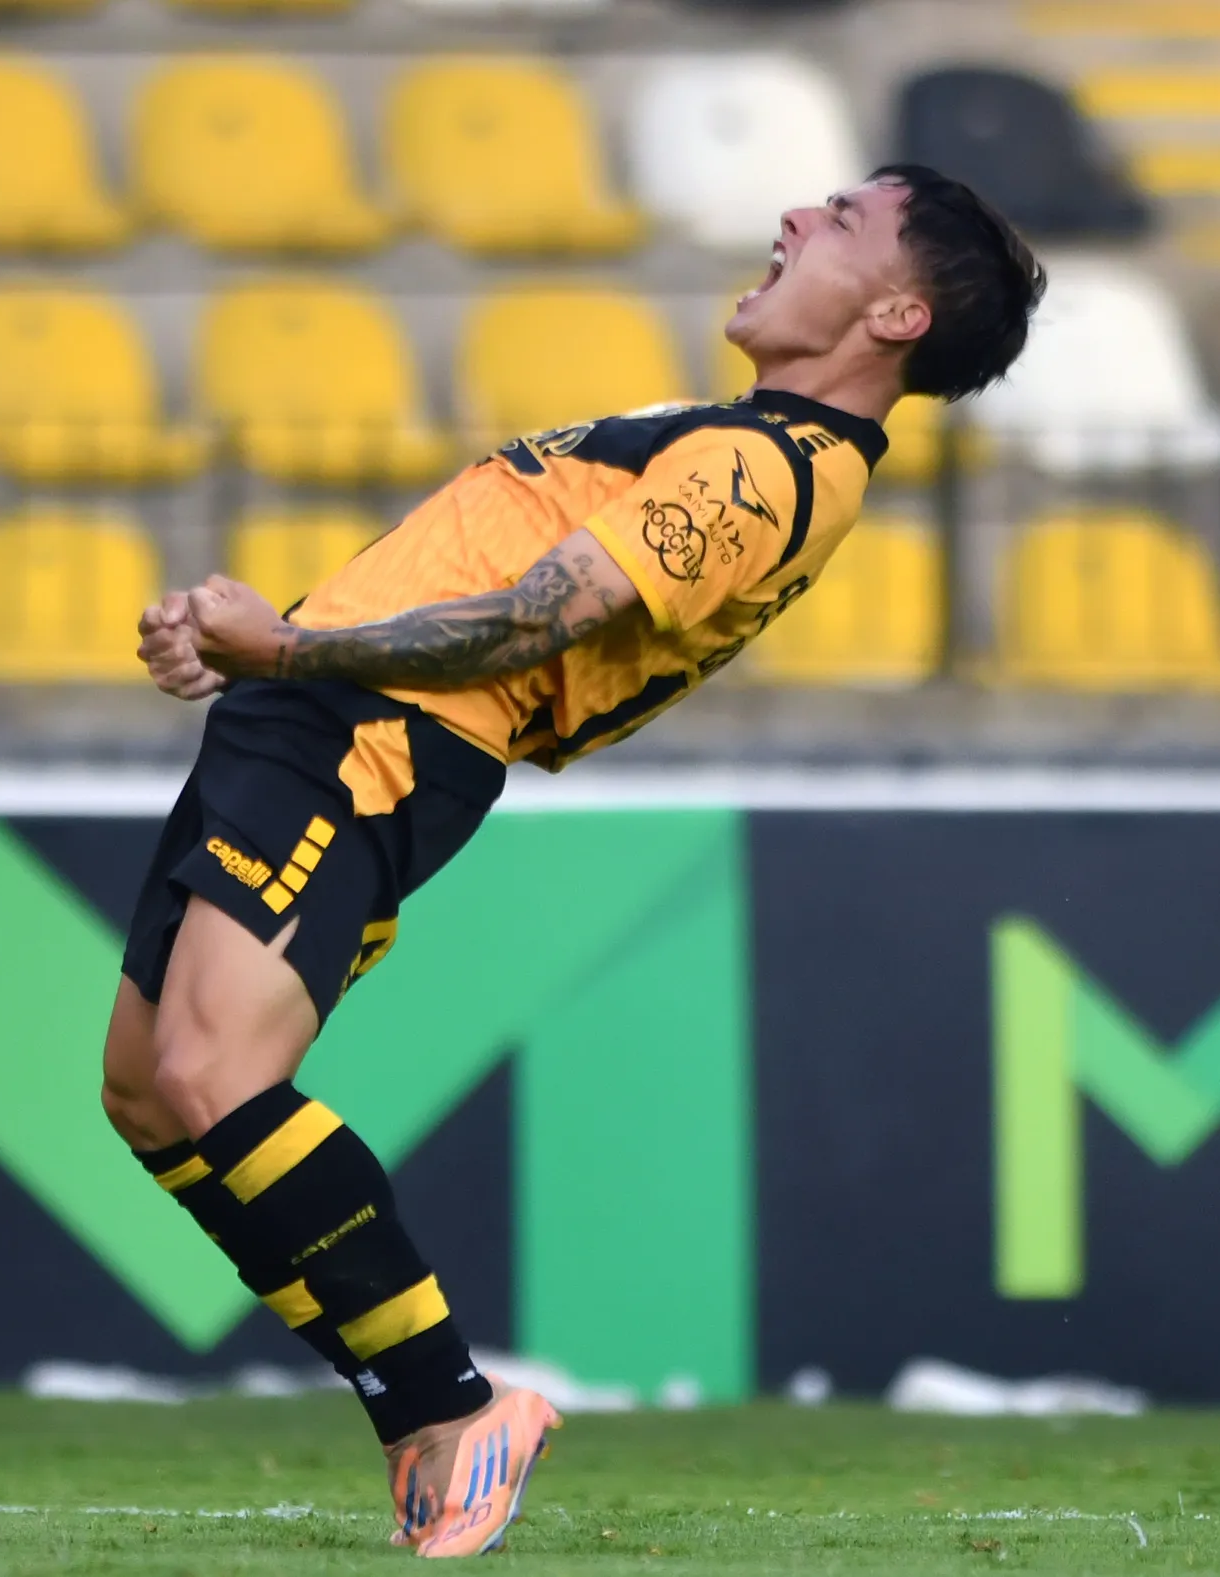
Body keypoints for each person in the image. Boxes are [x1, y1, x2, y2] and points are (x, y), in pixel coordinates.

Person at [102, 164, 1044, 1559]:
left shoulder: (763, 468)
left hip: (374, 731)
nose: (794, 217)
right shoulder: (743, 440)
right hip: (320, 713)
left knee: (208, 1075)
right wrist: (259, 647)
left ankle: (449, 1406)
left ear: (897, 313)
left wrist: (291, 651)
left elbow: (533, 622)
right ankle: (421, 1413)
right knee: (149, 1097)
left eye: (841, 219)